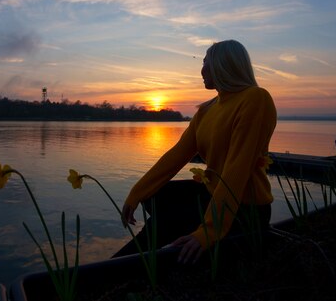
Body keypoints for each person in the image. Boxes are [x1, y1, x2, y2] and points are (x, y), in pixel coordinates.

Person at [115, 39, 277, 265]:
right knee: (154, 195)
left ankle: (120, 265)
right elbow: (176, 156)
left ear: (223, 65)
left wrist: (210, 230)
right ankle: (160, 240)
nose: (201, 70)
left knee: (165, 224)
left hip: (244, 207)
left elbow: (236, 169)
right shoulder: (207, 109)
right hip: (209, 194)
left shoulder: (256, 99)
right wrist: (136, 193)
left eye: (206, 63)